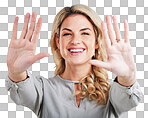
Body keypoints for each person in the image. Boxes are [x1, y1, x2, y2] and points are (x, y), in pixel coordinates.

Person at [5, 4, 143, 118]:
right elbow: (22, 92)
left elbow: (127, 100)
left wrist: (127, 76)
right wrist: (15, 72)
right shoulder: (43, 89)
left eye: (85, 33)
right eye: (67, 34)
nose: (75, 40)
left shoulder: (113, 92)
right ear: (58, 42)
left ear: (96, 42)